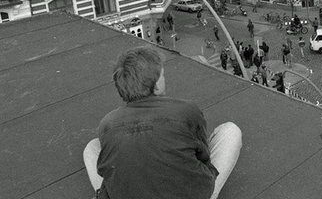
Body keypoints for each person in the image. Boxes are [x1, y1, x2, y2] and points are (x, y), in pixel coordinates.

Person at [83, 47, 242, 199]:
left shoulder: (107, 124)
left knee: (92, 147)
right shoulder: (186, 110)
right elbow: (203, 156)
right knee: (230, 131)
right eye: (163, 76)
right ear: (157, 86)